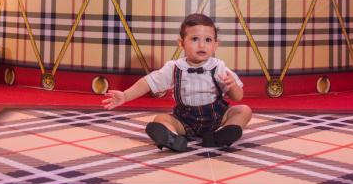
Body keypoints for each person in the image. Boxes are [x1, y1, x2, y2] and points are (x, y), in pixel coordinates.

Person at [102, 13, 252, 152]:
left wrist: (233, 86)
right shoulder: (174, 67)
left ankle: (222, 133)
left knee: (244, 110)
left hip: (217, 118)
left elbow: (238, 97)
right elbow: (148, 82)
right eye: (194, 39)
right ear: (181, 43)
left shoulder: (218, 66)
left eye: (208, 40)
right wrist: (125, 96)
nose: (202, 45)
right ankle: (173, 138)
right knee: (161, 119)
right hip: (185, 121)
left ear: (215, 45)